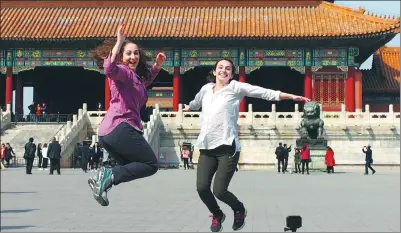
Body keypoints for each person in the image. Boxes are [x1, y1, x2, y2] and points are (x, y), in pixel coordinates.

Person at [183, 58, 310, 232]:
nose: (223, 71)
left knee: (219, 191)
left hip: (227, 147)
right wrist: (188, 108)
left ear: (232, 74)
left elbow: (263, 92)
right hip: (206, 147)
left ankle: (239, 209)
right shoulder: (205, 89)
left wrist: (290, 96)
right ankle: (217, 214)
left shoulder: (236, 87)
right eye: (220, 67)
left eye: (228, 69)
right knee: (202, 188)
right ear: (214, 71)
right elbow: (196, 103)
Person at [88, 22, 166, 207]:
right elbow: (109, 69)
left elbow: (143, 83)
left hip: (107, 133)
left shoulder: (134, 78)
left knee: (133, 165)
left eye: (136, 53)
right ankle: (108, 175)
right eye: (129, 53)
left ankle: (102, 181)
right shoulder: (121, 71)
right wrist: (119, 42)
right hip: (120, 127)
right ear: (122, 57)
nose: (133, 56)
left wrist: (156, 66)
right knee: (150, 164)